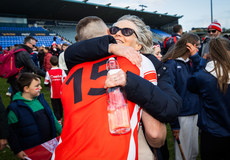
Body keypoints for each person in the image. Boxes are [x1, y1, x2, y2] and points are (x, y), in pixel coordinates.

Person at [52, 15, 167, 160]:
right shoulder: (139, 61)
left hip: (63, 153)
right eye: (115, 29)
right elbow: (155, 132)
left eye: (126, 31)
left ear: (139, 45)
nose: (118, 33)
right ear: (107, 33)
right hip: (113, 153)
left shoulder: (72, 67)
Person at [187, 37, 230, 160]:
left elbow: (191, 84)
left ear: (211, 53)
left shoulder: (203, 77)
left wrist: (200, 61)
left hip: (212, 134)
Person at [162, 33, 202, 160]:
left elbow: (201, 79)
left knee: (194, 152)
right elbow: (170, 94)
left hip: (195, 112)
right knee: (183, 154)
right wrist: (174, 124)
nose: (199, 48)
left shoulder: (192, 62)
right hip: (182, 115)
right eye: (198, 45)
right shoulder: (172, 64)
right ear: (190, 46)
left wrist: (196, 59)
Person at [7, 73, 62, 160]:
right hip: (32, 150)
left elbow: (52, 118)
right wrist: (17, 150)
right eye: (37, 86)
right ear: (26, 89)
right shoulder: (14, 109)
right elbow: (11, 133)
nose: (40, 88)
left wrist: (62, 132)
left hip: (49, 145)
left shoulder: (41, 100)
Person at [44, 56, 67, 124]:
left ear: (50, 63)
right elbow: (65, 81)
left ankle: (59, 122)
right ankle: (62, 120)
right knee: (61, 108)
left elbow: (45, 83)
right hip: (62, 94)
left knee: (56, 109)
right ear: (58, 63)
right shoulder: (62, 71)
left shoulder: (48, 72)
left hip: (53, 95)